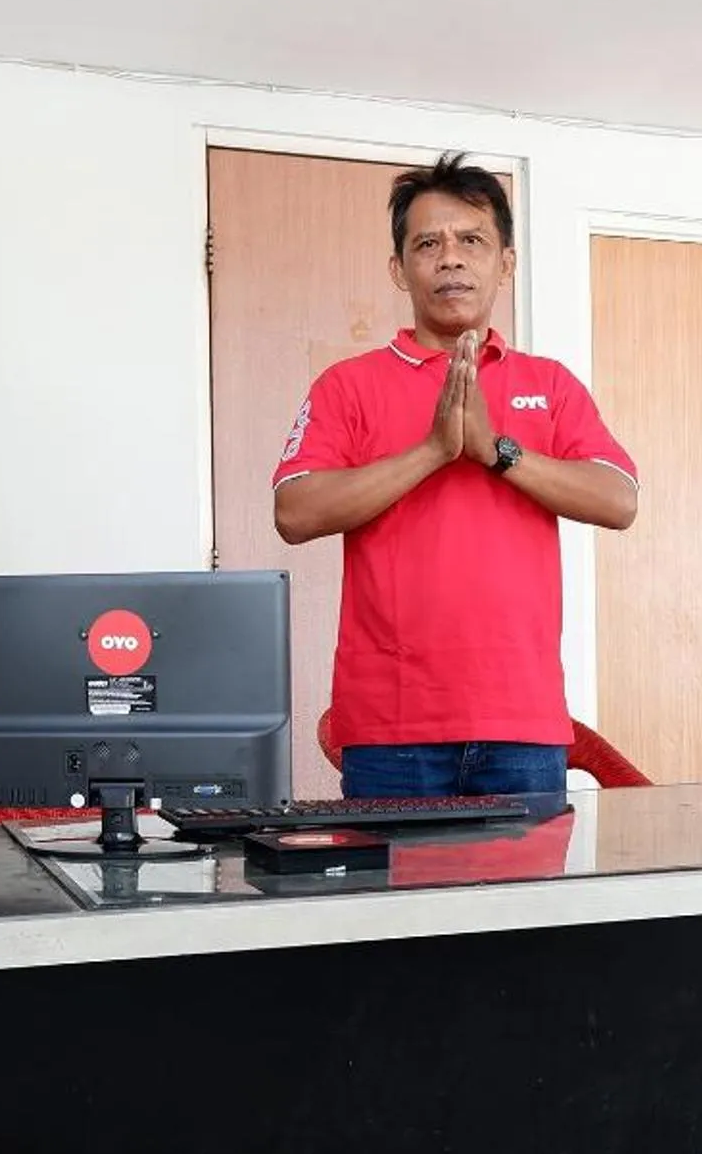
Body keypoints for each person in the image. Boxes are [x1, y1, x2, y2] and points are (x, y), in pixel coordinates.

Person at [272, 153, 639, 802]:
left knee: (525, 908)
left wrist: (497, 450)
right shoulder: (348, 385)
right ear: (399, 268)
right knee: (396, 909)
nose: (450, 258)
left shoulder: (548, 384)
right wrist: (436, 450)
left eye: (472, 240)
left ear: (506, 263)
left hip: (521, 723)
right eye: (428, 244)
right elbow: (295, 512)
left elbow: (618, 499)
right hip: (391, 727)